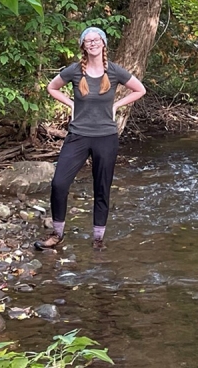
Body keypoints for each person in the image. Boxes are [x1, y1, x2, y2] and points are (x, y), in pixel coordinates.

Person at [34, 27, 146, 251]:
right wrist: (71, 104)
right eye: (88, 41)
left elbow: (139, 89)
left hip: (106, 137)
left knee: (102, 188)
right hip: (78, 136)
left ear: (103, 44)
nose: (92, 43)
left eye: (96, 40)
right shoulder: (75, 71)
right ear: (83, 46)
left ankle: (98, 239)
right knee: (59, 184)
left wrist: (116, 105)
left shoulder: (114, 71)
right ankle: (57, 234)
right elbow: (52, 87)